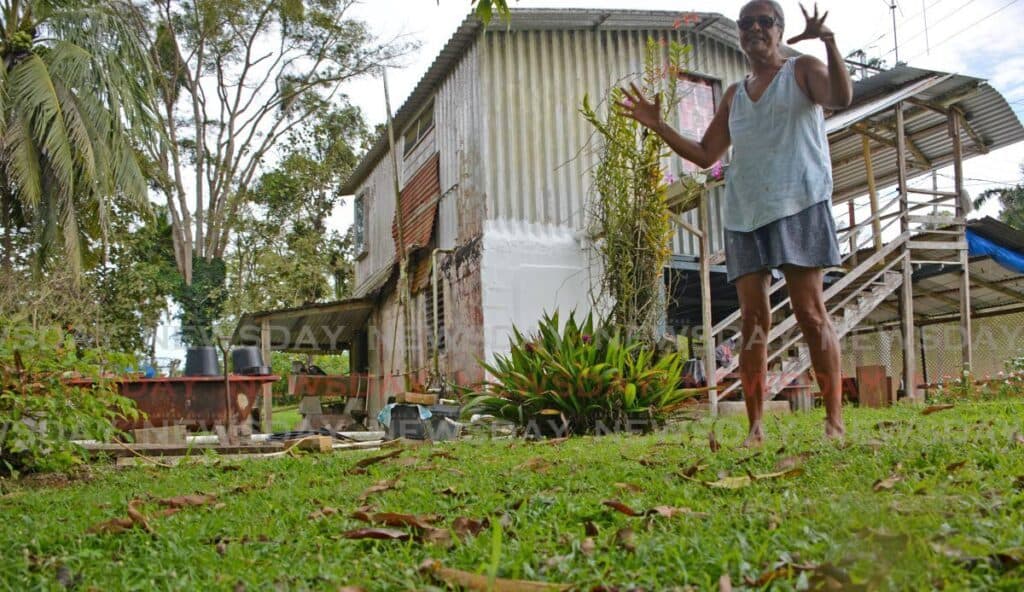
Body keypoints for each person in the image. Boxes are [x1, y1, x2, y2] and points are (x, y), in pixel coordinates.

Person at [618, 1, 852, 445]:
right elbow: (707, 155)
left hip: (799, 201)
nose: (756, 29)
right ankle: (755, 427)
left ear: (780, 30)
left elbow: (840, 98)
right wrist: (658, 124)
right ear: (741, 35)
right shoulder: (734, 95)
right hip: (745, 212)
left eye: (765, 22)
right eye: (747, 24)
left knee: (809, 312)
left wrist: (830, 41)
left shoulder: (802, 71)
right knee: (753, 322)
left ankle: (834, 423)